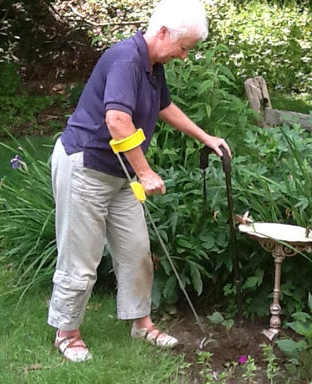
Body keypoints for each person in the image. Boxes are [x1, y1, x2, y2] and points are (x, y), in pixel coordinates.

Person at [48, 0, 231, 362]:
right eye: (183, 46)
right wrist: (145, 171)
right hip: (86, 165)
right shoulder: (125, 60)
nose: (183, 55)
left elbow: (164, 106)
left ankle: (141, 324)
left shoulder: (152, 65)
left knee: (137, 254)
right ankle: (67, 332)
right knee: (81, 258)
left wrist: (205, 137)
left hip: (120, 174)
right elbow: (117, 120)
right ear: (163, 33)